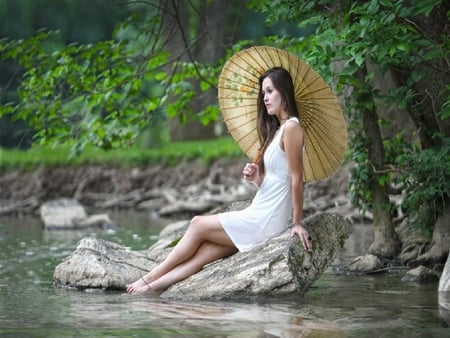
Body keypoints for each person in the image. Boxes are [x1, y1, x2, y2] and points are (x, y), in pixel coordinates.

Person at [126, 67, 312, 295]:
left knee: (197, 223)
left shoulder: (292, 127)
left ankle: (149, 276)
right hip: (260, 211)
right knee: (203, 252)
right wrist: (257, 179)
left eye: (270, 91)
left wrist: (297, 223)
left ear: (283, 92)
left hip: (265, 221)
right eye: (263, 92)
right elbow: (276, 182)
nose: (264, 98)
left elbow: (297, 177)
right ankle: (151, 289)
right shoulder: (278, 130)